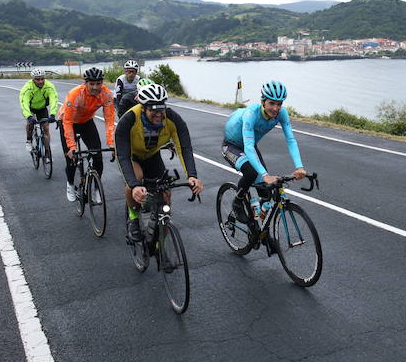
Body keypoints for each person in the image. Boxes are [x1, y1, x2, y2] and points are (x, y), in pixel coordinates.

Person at [115, 82, 203, 242]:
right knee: (136, 180)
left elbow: (184, 148)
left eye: (161, 110)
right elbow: (123, 156)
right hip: (131, 156)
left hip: (152, 155)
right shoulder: (128, 120)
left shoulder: (173, 119)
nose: (158, 114)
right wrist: (134, 185)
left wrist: (192, 175)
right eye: (153, 111)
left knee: (165, 193)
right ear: (143, 108)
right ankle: (133, 218)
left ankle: (161, 243)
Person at [222, 80, 306, 226]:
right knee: (252, 173)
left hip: (250, 146)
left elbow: (291, 140)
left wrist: (299, 166)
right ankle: (237, 202)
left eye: (279, 104)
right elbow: (248, 147)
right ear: (263, 101)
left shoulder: (282, 114)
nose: (275, 108)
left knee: (267, 193)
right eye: (272, 103)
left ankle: (262, 233)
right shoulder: (251, 114)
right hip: (232, 146)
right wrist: (265, 175)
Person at [58, 67, 116, 201]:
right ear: (86, 83)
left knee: (97, 156)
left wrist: (111, 143)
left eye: (98, 83)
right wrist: (72, 146)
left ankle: (96, 188)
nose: (95, 87)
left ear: (102, 82)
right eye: (92, 84)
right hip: (68, 122)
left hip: (86, 122)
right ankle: (70, 185)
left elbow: (109, 120)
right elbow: (67, 122)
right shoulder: (75, 94)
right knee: (71, 159)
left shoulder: (106, 95)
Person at [19, 68, 58, 153]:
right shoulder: (27, 88)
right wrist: (29, 116)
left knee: (46, 128)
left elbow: (53, 100)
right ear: (33, 80)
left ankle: (47, 152)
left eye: (42, 79)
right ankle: (28, 141)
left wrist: (52, 114)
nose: (40, 81)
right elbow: (24, 103)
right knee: (30, 124)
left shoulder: (49, 86)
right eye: (37, 79)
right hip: (31, 108)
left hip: (42, 108)